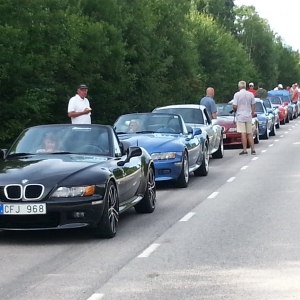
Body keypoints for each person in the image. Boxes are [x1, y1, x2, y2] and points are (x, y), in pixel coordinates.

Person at [232, 81, 256, 155]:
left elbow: (235, 106)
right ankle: (253, 149)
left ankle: (245, 150)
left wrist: (234, 110)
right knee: (249, 133)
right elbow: (253, 104)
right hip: (248, 115)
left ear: (239, 87)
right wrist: (252, 112)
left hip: (240, 116)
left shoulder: (237, 95)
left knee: (243, 133)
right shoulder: (250, 94)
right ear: (245, 86)